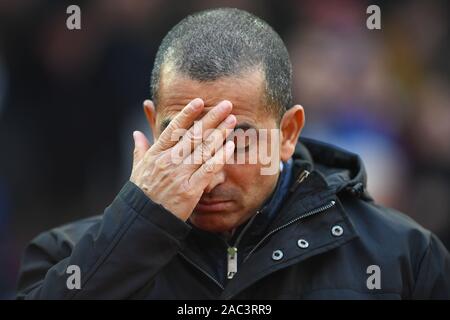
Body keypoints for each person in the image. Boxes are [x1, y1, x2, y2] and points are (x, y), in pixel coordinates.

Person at [16, 8, 450, 299]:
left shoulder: (404, 256)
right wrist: (138, 224)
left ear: (289, 132)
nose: (211, 173)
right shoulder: (65, 257)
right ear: (152, 125)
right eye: (185, 136)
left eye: (239, 141)